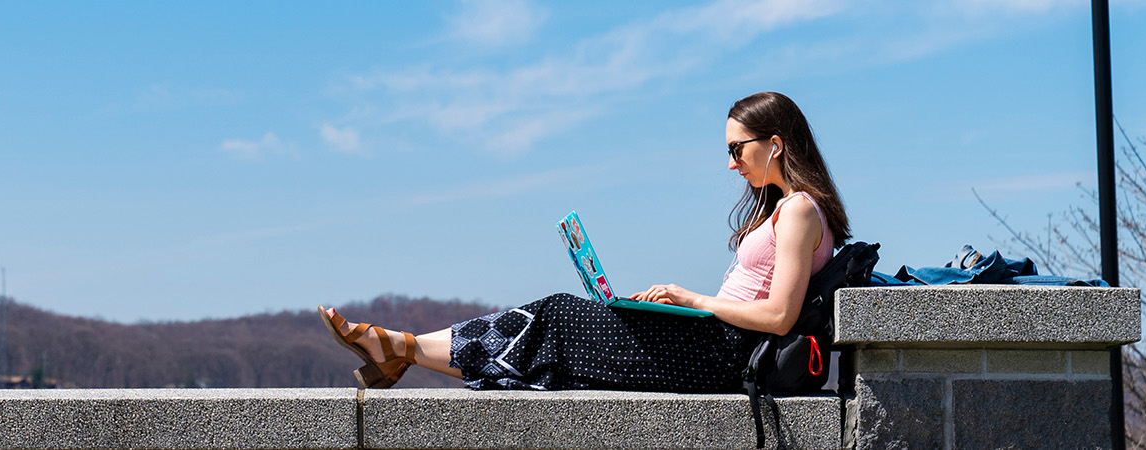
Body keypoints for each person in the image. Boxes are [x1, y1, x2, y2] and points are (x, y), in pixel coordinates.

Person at [319, 92, 851, 391]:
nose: (730, 163)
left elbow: (779, 316)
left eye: (738, 149)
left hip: (723, 353)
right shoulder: (781, 210)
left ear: (775, 144)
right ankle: (398, 349)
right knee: (561, 326)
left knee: (560, 318)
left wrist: (692, 299)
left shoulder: (800, 209)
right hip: (710, 340)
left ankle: (400, 347)